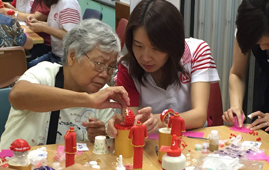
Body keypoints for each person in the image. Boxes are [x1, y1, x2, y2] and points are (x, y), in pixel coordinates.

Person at [0, 19, 129, 149]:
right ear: (72, 56)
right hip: (13, 162)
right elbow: (17, 96)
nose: (105, 74)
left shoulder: (103, 94)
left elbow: (110, 152)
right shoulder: (45, 74)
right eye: (99, 64)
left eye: (111, 67)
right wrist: (87, 100)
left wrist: (102, 136)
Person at [107, 0, 220, 137]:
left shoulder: (197, 52)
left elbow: (199, 116)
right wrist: (122, 123)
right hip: (152, 144)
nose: (145, 57)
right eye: (138, 46)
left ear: (172, 44)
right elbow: (134, 121)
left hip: (195, 138)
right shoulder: (127, 68)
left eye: (155, 48)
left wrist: (161, 120)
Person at [223, 0, 269, 132]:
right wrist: (236, 107)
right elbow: (237, 73)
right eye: (257, 44)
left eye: (266, 43)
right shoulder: (248, 28)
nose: (262, 48)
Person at [26, 0, 81, 68]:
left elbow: (70, 36)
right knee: (26, 67)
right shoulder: (55, 3)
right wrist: (38, 22)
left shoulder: (68, 5)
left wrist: (43, 28)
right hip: (54, 54)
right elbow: (56, 26)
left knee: (28, 69)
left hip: (63, 60)